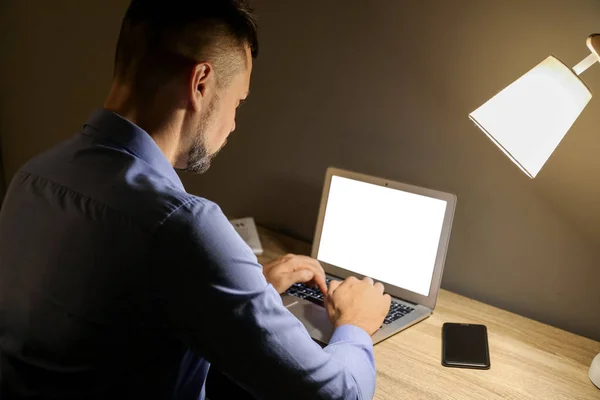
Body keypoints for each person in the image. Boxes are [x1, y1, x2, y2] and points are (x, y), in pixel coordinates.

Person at [0, 1, 391, 399]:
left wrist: (248, 290)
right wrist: (356, 323)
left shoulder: (32, 178)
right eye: (237, 102)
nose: (234, 123)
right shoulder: (181, 225)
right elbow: (338, 394)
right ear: (201, 83)